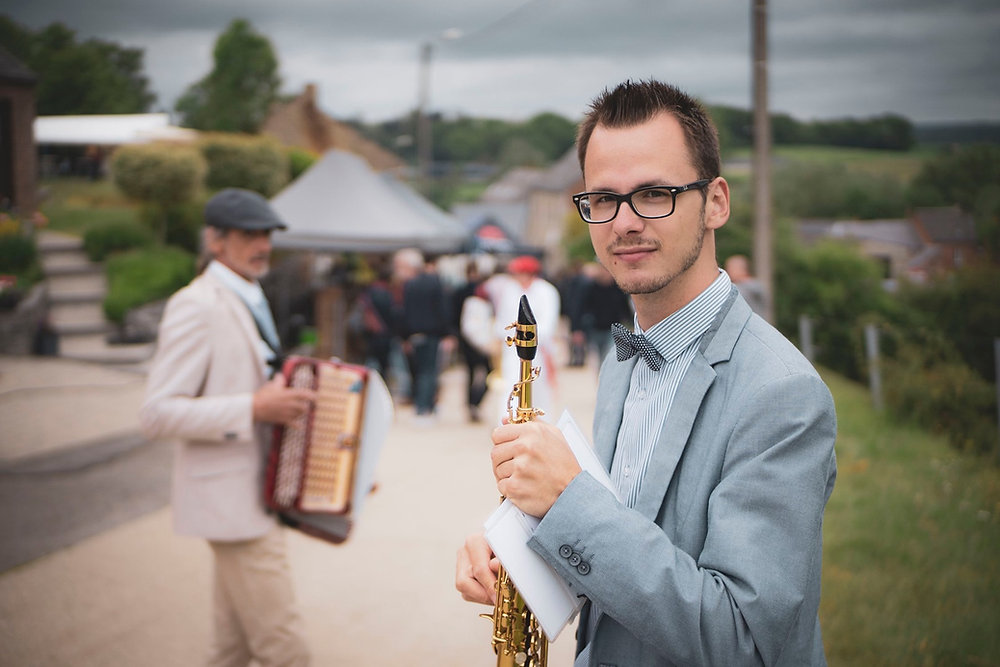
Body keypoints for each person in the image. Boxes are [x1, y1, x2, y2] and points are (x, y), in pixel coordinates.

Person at [456, 79, 837, 666]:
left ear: (716, 202)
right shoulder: (620, 364)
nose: (623, 222)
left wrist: (568, 502)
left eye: (654, 193)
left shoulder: (783, 394)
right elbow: (622, 554)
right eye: (602, 199)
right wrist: (523, 552)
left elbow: (744, 642)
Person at [140, 188, 315, 667]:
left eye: (267, 234)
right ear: (215, 240)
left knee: (231, 648)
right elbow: (156, 413)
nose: (262, 244)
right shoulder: (197, 304)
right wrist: (253, 408)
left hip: (254, 497)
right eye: (248, 234)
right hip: (233, 505)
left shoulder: (248, 294)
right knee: (285, 648)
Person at [481, 254, 562, 422]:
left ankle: (541, 425)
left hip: (538, 349)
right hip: (512, 348)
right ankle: (508, 423)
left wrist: (531, 339)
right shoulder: (511, 290)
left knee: (537, 387)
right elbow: (503, 317)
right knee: (511, 386)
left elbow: (548, 322)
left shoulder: (546, 291)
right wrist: (499, 338)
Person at [393, 247, 453, 422]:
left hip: (415, 334)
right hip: (432, 333)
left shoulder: (408, 286)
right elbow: (443, 310)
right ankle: (425, 407)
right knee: (429, 371)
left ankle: (422, 406)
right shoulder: (434, 282)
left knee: (420, 371)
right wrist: (448, 333)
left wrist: (403, 337)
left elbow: (402, 313)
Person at [453, 260, 494, 423]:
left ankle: (472, 402)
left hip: (469, 339)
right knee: (483, 372)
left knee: (473, 373)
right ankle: (473, 403)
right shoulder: (474, 296)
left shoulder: (463, 291)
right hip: (475, 340)